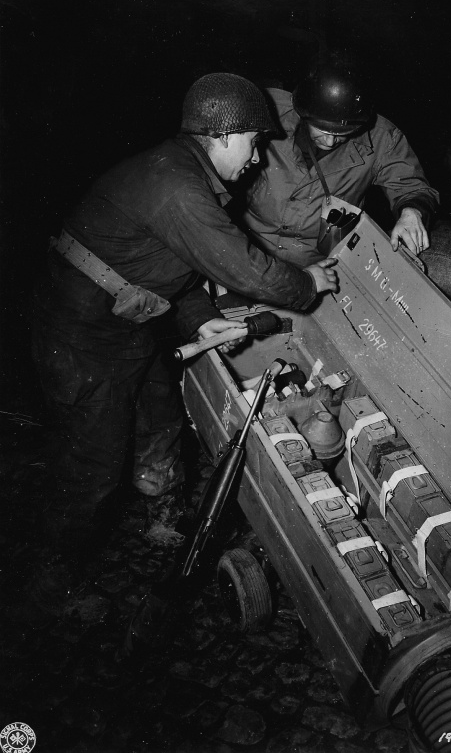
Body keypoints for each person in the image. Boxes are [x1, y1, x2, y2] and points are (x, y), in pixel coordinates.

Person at [22, 73, 338, 626]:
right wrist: (307, 283)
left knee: (162, 417)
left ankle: (161, 518)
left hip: (126, 320)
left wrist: (202, 320)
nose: (258, 157)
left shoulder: (185, 174)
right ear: (222, 134)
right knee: (93, 463)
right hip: (81, 333)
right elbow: (243, 267)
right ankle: (53, 584)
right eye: (253, 142)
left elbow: (177, 265)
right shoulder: (177, 186)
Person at [237, 54, 440, 268]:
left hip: (318, 268)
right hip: (246, 251)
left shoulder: (383, 139)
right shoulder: (267, 108)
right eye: (322, 129)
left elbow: (413, 188)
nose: (330, 141)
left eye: (343, 133)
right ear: (303, 113)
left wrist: (412, 211)